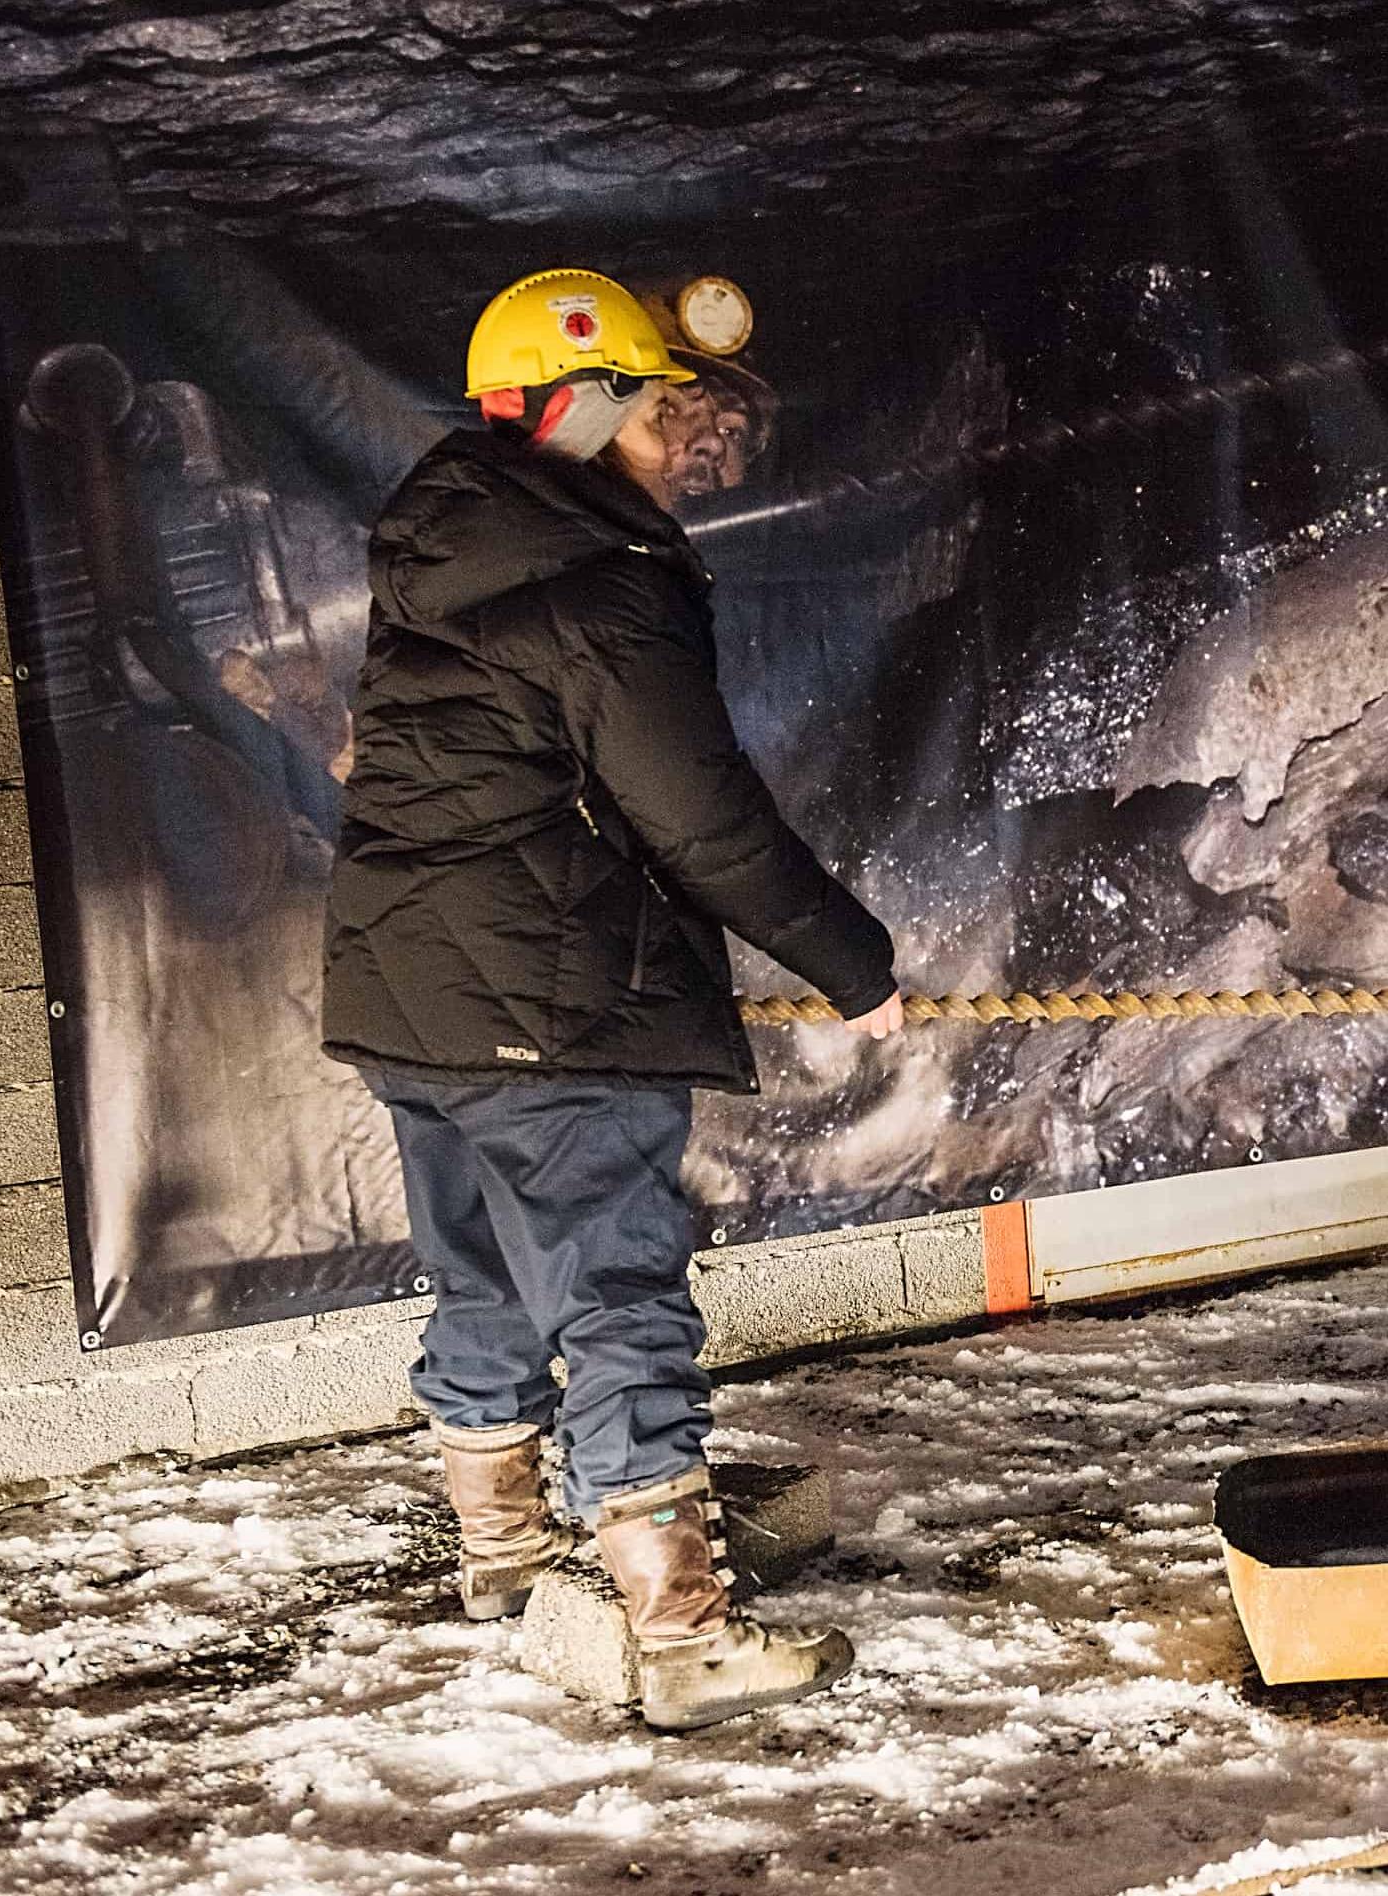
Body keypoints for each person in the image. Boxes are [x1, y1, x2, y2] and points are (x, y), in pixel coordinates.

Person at [321, 267, 907, 1728]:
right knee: (619, 1293)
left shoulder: (448, 551)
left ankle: (506, 1562)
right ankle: (684, 1635)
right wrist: (853, 968)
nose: (676, 443)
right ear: (582, 416)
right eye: (652, 410)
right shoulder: (599, 584)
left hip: (413, 999)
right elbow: (701, 820)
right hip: (555, 1006)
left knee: (483, 1276)